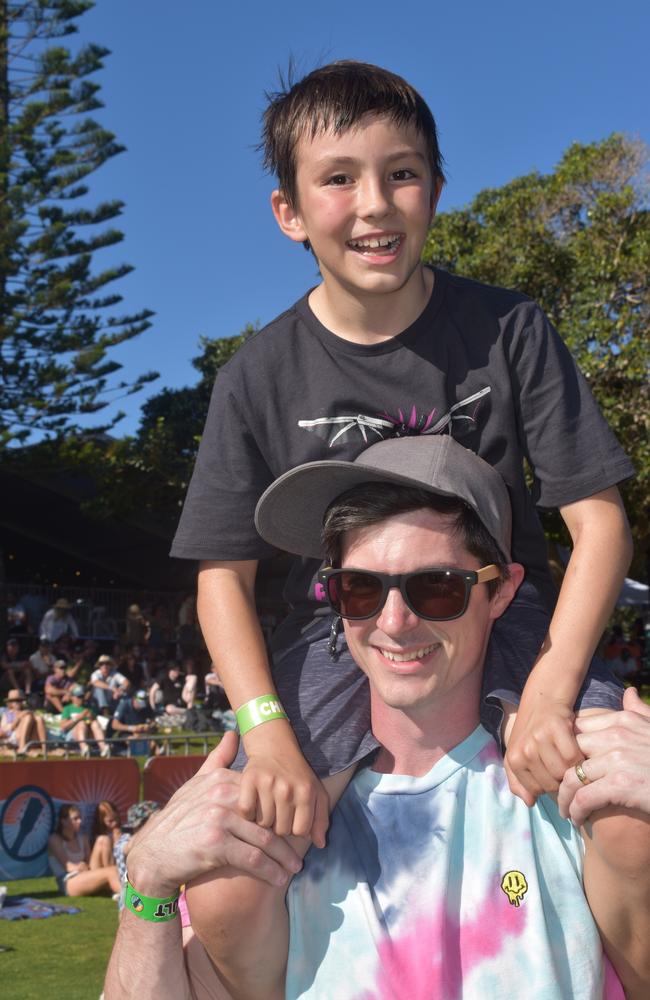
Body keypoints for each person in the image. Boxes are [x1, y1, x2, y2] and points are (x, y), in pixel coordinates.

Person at [169, 60, 633, 857]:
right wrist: (268, 731)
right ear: (289, 211)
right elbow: (222, 577)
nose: (375, 204)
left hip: (504, 612)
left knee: (628, 820)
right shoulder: (255, 375)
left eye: (402, 173)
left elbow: (601, 525)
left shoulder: (510, 329)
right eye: (339, 179)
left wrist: (553, 692)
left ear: (437, 189)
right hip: (331, 627)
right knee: (234, 869)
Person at [105, 437, 650, 1000]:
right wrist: (147, 878)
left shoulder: (586, 794)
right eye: (359, 588)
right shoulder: (271, 839)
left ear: (501, 592)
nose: (394, 622)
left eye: (436, 588)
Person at [48, 804, 121, 898]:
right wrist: (80, 866)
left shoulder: (83, 838)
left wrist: (84, 866)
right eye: (75, 818)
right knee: (110, 871)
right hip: (69, 881)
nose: (80, 821)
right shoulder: (54, 839)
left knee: (103, 839)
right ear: (64, 821)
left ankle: (115, 888)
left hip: (85, 874)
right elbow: (68, 866)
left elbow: (89, 863)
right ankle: (134, 901)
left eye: (80, 818)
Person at [59, 684, 110, 757]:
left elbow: (97, 725)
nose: (81, 699)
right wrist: (78, 717)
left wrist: (91, 718)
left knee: (95, 723)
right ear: (72, 697)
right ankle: (84, 748)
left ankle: (103, 747)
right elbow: (63, 726)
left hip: (88, 733)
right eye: (78, 697)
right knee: (81, 723)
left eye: (82, 696)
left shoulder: (89, 708)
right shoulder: (67, 709)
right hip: (72, 735)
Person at [110, 688, 157, 755]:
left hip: (142, 733)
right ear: (134, 699)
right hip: (125, 733)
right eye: (139, 703)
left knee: (153, 744)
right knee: (134, 740)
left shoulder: (146, 707)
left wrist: (149, 726)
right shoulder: (124, 705)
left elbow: (153, 722)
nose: (141, 707)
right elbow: (114, 725)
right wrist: (132, 728)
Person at [0, 689, 47, 756]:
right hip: (13, 737)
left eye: (19, 700)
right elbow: (6, 730)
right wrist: (19, 718)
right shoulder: (7, 714)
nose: (16, 703)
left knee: (39, 719)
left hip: (31, 736)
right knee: (28, 717)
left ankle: (44, 747)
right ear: (10, 703)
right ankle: (22, 746)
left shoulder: (27, 712)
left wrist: (27, 713)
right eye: (13, 701)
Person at [91, 800, 123, 868]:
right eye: (110, 821)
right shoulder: (99, 836)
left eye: (116, 819)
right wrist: (115, 843)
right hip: (100, 867)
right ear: (101, 820)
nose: (115, 824)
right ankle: (110, 873)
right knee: (104, 839)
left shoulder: (122, 832)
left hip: (113, 865)